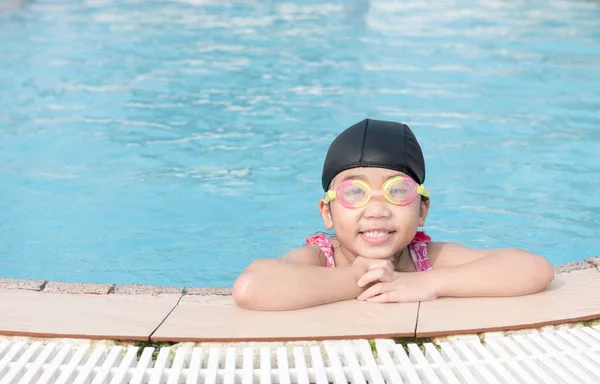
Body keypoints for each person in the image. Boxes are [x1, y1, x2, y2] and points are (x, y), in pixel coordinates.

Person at [232, 118, 555, 310]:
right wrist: (359, 278)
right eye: (354, 191)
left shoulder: (426, 258)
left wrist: (427, 283)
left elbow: (533, 269)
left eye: (397, 191)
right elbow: (253, 288)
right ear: (327, 213)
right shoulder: (318, 259)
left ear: (422, 210)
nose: (376, 210)